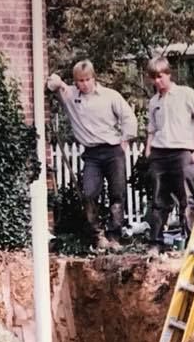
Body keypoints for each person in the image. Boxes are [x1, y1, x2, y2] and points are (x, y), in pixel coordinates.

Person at [48, 60, 137, 250]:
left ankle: (114, 236)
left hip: (113, 150)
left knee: (117, 193)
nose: (84, 84)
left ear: (94, 78)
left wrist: (125, 139)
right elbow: (51, 82)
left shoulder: (110, 96)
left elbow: (128, 117)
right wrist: (61, 84)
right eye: (80, 81)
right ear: (75, 81)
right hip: (91, 154)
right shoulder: (70, 95)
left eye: (87, 79)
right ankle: (98, 235)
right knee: (89, 193)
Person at [145, 57, 194, 255]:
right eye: (153, 78)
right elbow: (152, 129)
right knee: (158, 201)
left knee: (187, 198)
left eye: (160, 76)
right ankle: (156, 243)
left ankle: (192, 242)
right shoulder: (154, 101)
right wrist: (148, 149)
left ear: (168, 74)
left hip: (181, 153)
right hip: (159, 154)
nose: (157, 81)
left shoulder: (185, 94)